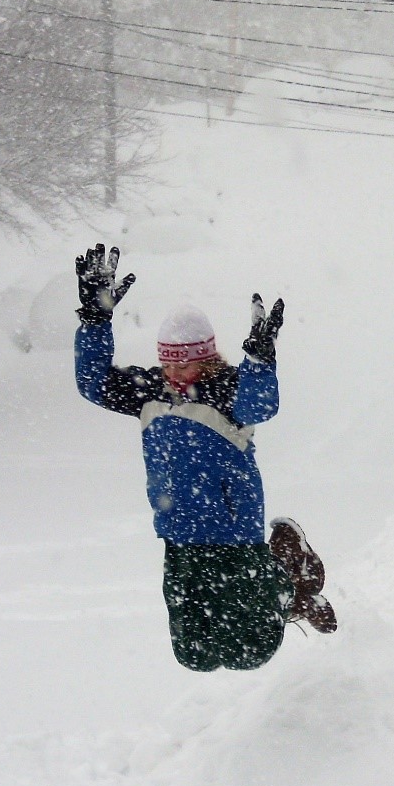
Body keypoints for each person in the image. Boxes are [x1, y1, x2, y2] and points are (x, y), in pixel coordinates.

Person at [72, 243, 336, 672]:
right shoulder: (149, 391)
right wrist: (95, 319)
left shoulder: (229, 390)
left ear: (209, 357)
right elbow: (92, 382)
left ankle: (290, 578)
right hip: (177, 532)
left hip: (233, 533)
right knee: (194, 655)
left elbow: (261, 406)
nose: (175, 376)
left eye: (186, 366)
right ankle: (280, 586)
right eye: (168, 365)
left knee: (250, 652)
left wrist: (259, 361)